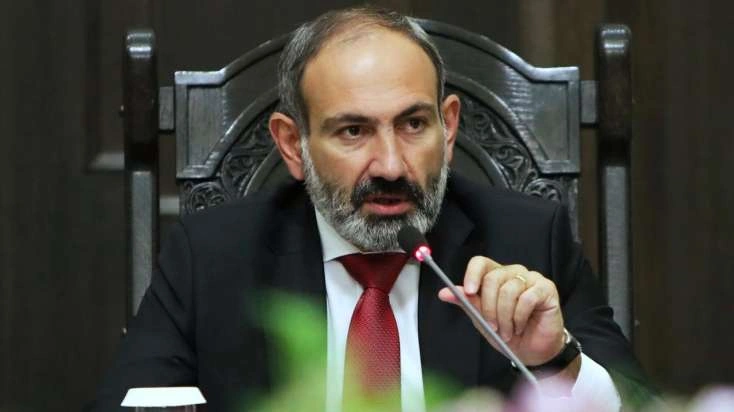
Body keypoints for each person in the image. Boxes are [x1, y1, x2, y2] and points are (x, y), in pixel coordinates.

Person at [92, 6, 650, 412]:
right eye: (353, 131)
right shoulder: (212, 256)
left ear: (448, 127)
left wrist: (556, 360)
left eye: (413, 124)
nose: (390, 165)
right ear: (292, 145)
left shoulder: (525, 238)